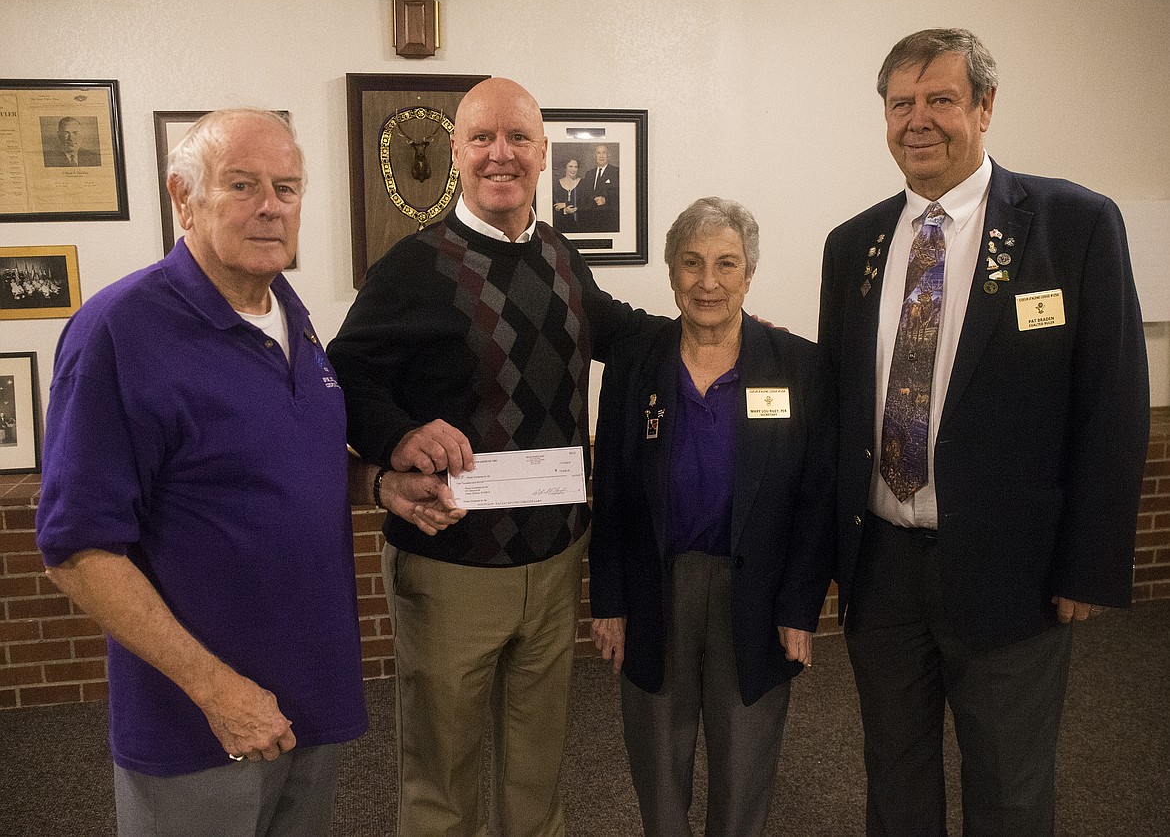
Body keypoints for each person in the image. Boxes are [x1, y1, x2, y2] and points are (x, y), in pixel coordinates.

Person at [34, 108, 459, 835]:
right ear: (183, 198)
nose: (271, 206)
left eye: (287, 188)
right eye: (242, 185)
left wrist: (381, 486)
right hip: (198, 722)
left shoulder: (290, 315)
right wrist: (217, 691)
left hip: (309, 697)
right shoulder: (119, 332)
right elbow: (77, 549)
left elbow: (288, 464)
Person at [818, 28, 1150, 836]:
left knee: (1008, 786)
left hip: (1015, 571)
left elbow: (1114, 404)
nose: (918, 120)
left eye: (941, 99)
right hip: (884, 569)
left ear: (985, 107)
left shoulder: (1071, 225)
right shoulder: (852, 244)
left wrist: (1091, 565)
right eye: (901, 104)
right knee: (893, 779)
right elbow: (838, 399)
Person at [327, 77, 660, 837]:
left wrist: (726, 332)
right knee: (443, 773)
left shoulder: (558, 253)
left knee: (537, 766)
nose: (499, 154)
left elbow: (617, 330)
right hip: (452, 567)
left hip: (552, 557)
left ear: (544, 154)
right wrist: (397, 438)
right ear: (456, 153)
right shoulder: (411, 267)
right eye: (482, 138)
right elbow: (343, 375)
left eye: (517, 138)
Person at [589, 197, 834, 836]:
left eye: (726, 264)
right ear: (671, 273)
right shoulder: (636, 363)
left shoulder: (797, 365)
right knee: (657, 754)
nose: (708, 282)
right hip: (656, 587)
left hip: (755, 592)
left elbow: (815, 500)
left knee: (745, 755)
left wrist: (799, 610)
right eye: (692, 264)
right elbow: (610, 489)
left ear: (749, 274)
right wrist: (608, 601)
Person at [578, 143, 620, 232]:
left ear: (608, 155)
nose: (601, 156)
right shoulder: (589, 174)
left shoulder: (616, 172)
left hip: (609, 220)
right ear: (595, 156)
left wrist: (606, 200)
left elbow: (622, 196)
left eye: (604, 153)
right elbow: (584, 195)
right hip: (590, 220)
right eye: (598, 153)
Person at [552, 157, 581, 232]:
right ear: (565, 168)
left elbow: (585, 201)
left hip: (579, 224)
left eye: (575, 167)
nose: (573, 169)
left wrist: (565, 204)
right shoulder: (556, 184)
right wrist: (564, 210)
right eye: (570, 166)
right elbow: (554, 206)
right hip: (560, 225)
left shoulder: (583, 183)